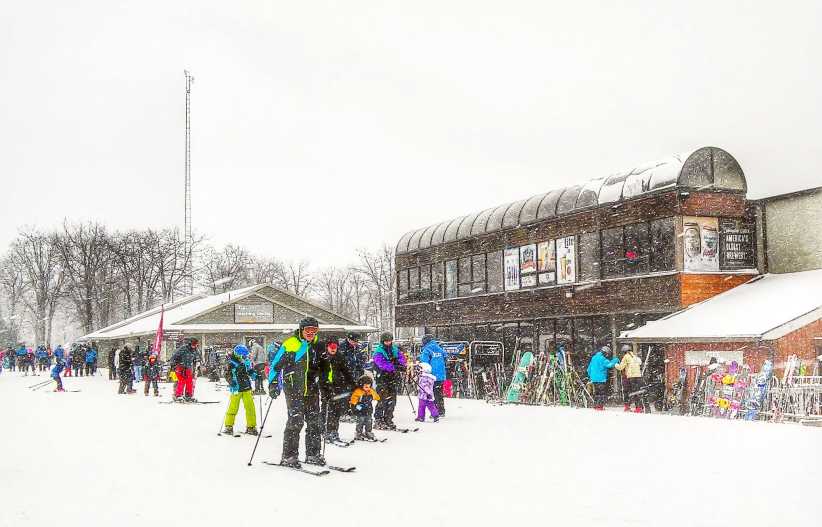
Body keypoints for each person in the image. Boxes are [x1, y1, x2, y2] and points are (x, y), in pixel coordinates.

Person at [268, 317, 325, 468]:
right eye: (308, 330)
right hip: (294, 388)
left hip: (312, 389)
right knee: (296, 421)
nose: (311, 333)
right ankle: (289, 456)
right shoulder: (290, 343)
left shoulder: (318, 346)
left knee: (314, 422)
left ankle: (313, 454)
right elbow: (275, 366)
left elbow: (326, 367)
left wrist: (328, 384)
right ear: (301, 329)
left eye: (314, 330)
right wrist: (273, 384)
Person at [320, 340, 356, 443]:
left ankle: (334, 431)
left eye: (335, 347)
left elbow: (346, 371)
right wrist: (324, 387)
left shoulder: (340, 357)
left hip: (338, 387)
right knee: (327, 409)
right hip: (326, 387)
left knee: (336, 411)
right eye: (331, 347)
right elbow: (320, 374)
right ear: (327, 347)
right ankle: (325, 431)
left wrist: (352, 383)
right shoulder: (322, 358)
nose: (333, 349)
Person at [372, 332, 407, 430]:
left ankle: (388, 418)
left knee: (392, 400)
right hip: (382, 377)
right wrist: (394, 367)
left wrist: (400, 363)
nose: (388, 343)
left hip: (393, 378)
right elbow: (381, 364)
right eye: (386, 341)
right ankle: (378, 420)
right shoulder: (378, 351)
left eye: (390, 341)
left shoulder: (395, 349)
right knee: (382, 399)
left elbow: (402, 358)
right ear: (382, 341)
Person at [223, 344, 258, 436]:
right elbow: (226, 374)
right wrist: (231, 381)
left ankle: (251, 427)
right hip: (236, 388)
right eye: (243, 355)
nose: (245, 357)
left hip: (246, 387)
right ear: (238, 354)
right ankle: (228, 426)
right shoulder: (231, 362)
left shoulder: (246, 361)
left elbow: (249, 370)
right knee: (233, 407)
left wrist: (254, 374)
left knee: (250, 408)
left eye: (245, 355)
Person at [418, 334, 448, 417]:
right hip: (441, 375)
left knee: (432, 394)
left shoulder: (426, 350)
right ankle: (441, 410)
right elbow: (446, 357)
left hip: (431, 375)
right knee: (439, 393)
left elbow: (424, 363)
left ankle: (436, 411)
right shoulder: (439, 348)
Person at [587, 345, 619, 410]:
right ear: (605, 353)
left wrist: (591, 376)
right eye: (607, 354)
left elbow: (588, 369)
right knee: (601, 393)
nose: (607, 356)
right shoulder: (602, 359)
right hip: (601, 379)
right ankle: (600, 406)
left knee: (596, 393)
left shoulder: (594, 357)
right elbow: (609, 365)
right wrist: (615, 360)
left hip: (594, 379)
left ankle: (596, 405)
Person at [615, 343, 644, 412]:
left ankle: (628, 407)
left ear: (624, 351)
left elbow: (620, 367)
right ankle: (639, 408)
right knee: (637, 392)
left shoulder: (626, 357)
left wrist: (615, 364)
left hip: (631, 377)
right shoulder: (635, 356)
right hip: (638, 376)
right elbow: (640, 363)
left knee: (628, 391)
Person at [350, 374, 380, 441]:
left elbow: (377, 397)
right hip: (360, 410)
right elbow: (353, 400)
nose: (367, 388)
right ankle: (358, 433)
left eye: (369, 386)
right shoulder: (358, 392)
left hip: (368, 410)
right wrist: (355, 407)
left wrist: (378, 397)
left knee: (369, 422)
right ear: (361, 385)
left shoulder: (371, 391)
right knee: (360, 422)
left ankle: (368, 432)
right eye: (366, 386)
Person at [169, 338, 199, 402]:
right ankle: (178, 395)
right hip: (180, 367)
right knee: (181, 381)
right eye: (193, 344)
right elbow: (174, 357)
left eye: (195, 344)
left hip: (188, 367)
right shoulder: (183, 348)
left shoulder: (195, 350)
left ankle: (188, 395)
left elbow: (196, 358)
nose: (194, 346)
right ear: (190, 343)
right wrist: (175, 364)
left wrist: (196, 363)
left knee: (189, 381)